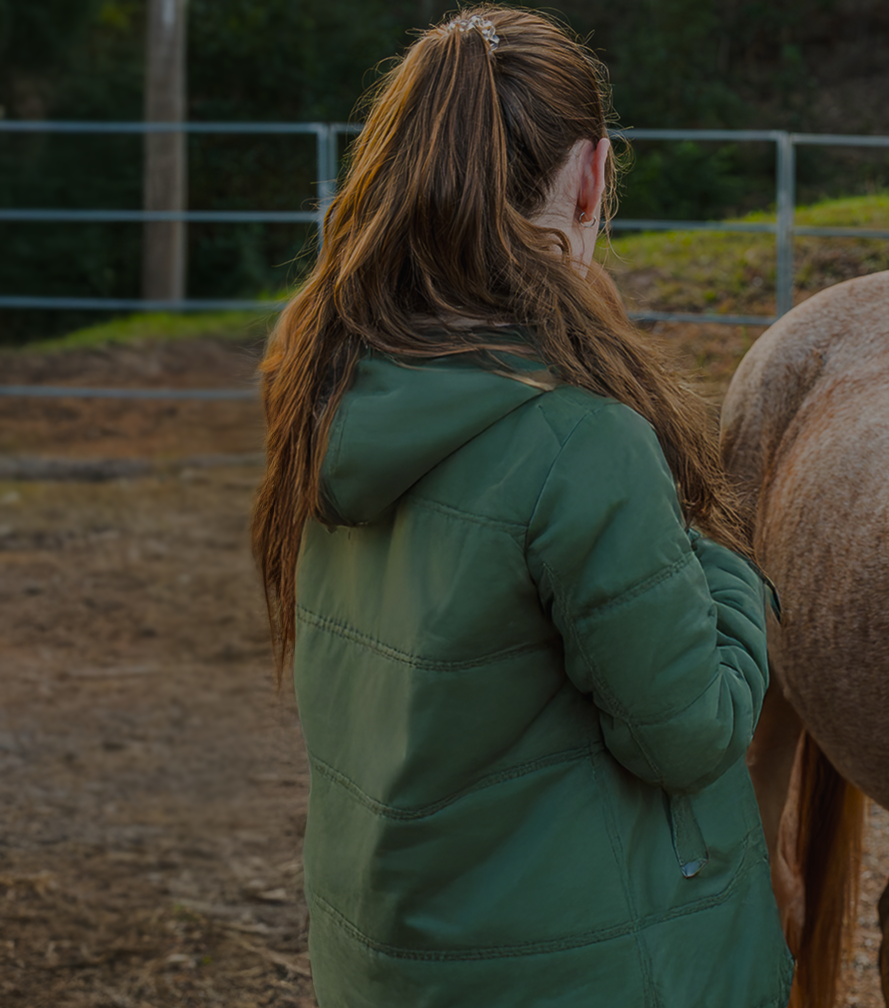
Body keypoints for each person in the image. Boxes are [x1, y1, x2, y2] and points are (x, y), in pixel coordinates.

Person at [249, 8, 792, 1006]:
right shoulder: (582, 443)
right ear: (590, 176)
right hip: (583, 969)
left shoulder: (326, 387)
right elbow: (690, 732)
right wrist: (725, 562)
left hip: (392, 959)